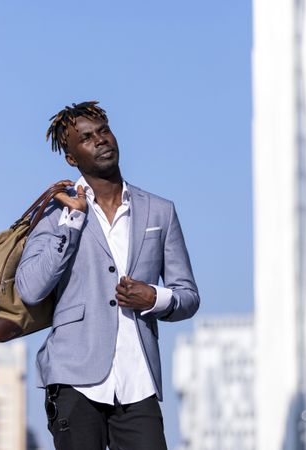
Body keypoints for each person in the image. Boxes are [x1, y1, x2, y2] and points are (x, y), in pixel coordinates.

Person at [16, 101, 199, 450]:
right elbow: (30, 288)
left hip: (138, 381)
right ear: (72, 157)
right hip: (74, 378)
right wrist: (71, 223)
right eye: (86, 138)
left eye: (104, 131)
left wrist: (155, 297)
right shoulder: (56, 211)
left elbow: (188, 295)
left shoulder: (160, 210)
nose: (100, 140)